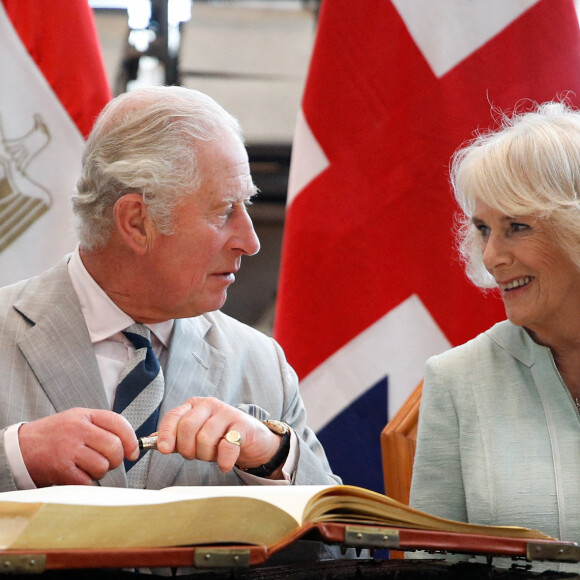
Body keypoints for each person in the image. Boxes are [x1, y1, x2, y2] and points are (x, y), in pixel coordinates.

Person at [0, 85, 340, 493]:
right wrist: (15, 456)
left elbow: (345, 548)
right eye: (224, 210)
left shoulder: (261, 365)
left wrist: (271, 457)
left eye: (246, 206)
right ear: (136, 222)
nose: (250, 242)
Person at [409, 101, 580, 567]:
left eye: (516, 227)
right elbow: (430, 565)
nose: (490, 256)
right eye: (484, 229)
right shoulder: (457, 379)